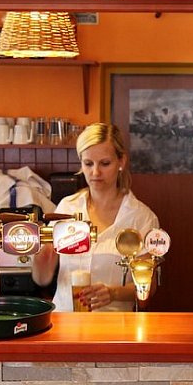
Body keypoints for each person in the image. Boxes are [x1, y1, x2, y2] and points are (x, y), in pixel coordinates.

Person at [33, 122, 159, 311]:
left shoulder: (141, 217)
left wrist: (113, 293)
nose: (95, 172)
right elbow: (42, 279)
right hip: (65, 322)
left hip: (113, 325)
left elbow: (148, 289)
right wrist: (42, 260)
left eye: (105, 163)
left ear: (121, 162)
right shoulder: (67, 208)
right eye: (88, 163)